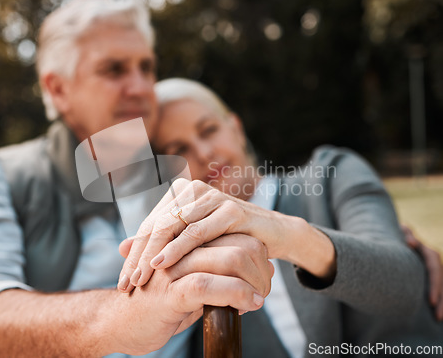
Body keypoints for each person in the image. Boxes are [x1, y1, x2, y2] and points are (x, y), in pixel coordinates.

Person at [0, 0, 273, 357]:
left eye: (146, 68)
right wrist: (123, 319)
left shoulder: (182, 172)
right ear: (57, 89)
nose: (140, 87)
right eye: (114, 70)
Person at [119, 78, 443, 357]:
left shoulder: (331, 175)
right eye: (179, 149)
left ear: (236, 127)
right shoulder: (188, 267)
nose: (204, 153)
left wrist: (288, 234)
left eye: (209, 129)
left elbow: (404, 285)